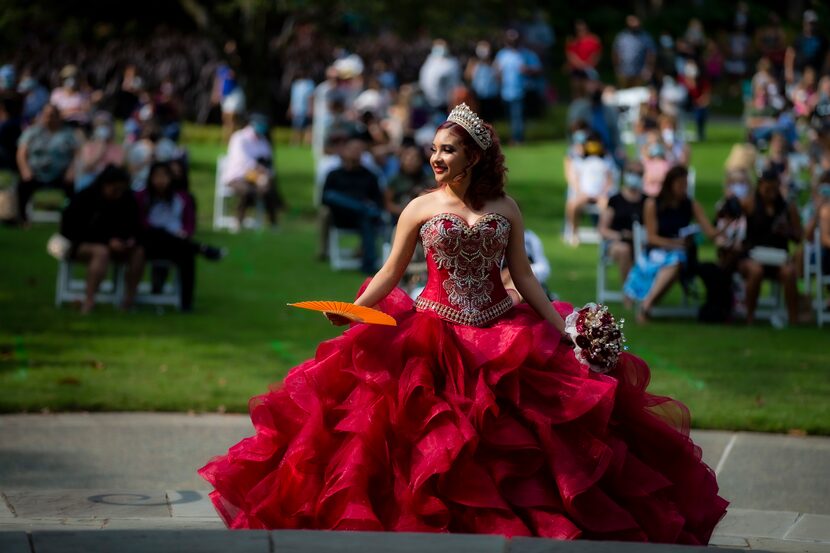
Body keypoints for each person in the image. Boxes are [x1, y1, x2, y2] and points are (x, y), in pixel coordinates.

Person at [200, 103, 727, 541]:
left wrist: (564, 330)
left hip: (503, 331)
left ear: (474, 156)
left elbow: (524, 277)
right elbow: (389, 270)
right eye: (433, 149)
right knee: (415, 436)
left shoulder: (507, 208)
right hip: (433, 329)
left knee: (530, 436)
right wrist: (347, 307)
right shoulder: (419, 207)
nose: (435, 157)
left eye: (446, 150)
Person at [623, 166, 719, 323]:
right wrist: (674, 243)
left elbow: (710, 233)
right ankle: (647, 305)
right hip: (657, 252)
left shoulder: (690, 204)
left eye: (685, 184)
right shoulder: (653, 204)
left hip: (681, 255)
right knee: (675, 260)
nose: (683, 188)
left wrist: (726, 225)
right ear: (670, 184)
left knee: (677, 260)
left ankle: (646, 305)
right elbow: (652, 238)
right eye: (680, 184)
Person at [135, 162, 225, 312]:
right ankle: (201, 248)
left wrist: (185, 232)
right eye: (157, 176)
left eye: (164, 176)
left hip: (175, 243)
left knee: (186, 252)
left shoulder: (181, 198)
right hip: (149, 241)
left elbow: (189, 224)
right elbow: (139, 222)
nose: (160, 181)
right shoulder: (141, 197)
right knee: (161, 234)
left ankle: (186, 303)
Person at [59, 165, 144, 314]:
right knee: (101, 252)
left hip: (119, 246)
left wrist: (129, 240)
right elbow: (71, 229)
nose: (118, 194)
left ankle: (129, 299)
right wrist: (107, 241)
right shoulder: (85, 197)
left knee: (138, 252)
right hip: (82, 245)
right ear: (105, 185)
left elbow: (135, 225)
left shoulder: (127, 199)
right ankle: (89, 299)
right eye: (114, 189)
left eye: (121, 190)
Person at [738, 170, 802, 326]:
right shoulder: (749, 204)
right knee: (756, 271)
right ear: (760, 187)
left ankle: (794, 319)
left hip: (778, 257)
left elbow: (799, 236)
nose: (771, 194)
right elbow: (736, 230)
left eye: (774, 189)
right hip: (752, 256)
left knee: (789, 272)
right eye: (767, 189)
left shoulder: (787, 207)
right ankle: (750, 316)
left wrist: (787, 231)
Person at [322, 135, 384, 274]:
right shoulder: (334, 174)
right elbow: (325, 199)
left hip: (361, 219)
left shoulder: (370, 176)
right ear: (344, 151)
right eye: (352, 148)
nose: (355, 152)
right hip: (340, 216)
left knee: (367, 218)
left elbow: (378, 201)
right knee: (332, 195)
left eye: (359, 149)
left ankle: (368, 266)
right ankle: (362, 208)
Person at [15, 104, 78, 224]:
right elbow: (21, 153)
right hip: (35, 173)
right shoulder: (32, 132)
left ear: (58, 117)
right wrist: (25, 170)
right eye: (46, 115)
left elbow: (77, 155)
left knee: (74, 187)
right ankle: (23, 219)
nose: (49, 118)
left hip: (61, 174)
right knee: (22, 186)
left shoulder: (68, 134)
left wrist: (71, 170)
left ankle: (71, 219)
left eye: (52, 115)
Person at [222, 113, 282, 230]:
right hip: (237, 177)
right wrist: (259, 168)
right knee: (247, 191)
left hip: (256, 177)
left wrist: (266, 173)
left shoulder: (263, 140)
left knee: (268, 190)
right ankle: (238, 222)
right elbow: (242, 160)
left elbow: (268, 161)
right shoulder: (239, 138)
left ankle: (273, 224)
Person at [599, 161, 646, 287]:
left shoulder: (648, 201)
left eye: (639, 174)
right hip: (618, 242)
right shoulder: (615, 200)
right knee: (624, 250)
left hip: (642, 242)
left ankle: (645, 294)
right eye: (631, 172)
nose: (635, 176)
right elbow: (603, 229)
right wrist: (621, 235)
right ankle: (628, 292)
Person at [565, 137, 613, 245]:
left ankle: (604, 233)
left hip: (600, 195)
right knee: (572, 206)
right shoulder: (581, 162)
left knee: (608, 208)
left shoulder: (606, 162)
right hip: (584, 194)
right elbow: (576, 180)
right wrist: (581, 193)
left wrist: (603, 193)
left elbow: (609, 181)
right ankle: (574, 233)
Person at [73, 112, 125, 192]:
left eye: (105, 125)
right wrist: (100, 150)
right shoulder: (88, 146)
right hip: (90, 183)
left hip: (108, 184)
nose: (102, 128)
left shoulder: (118, 149)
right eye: (99, 125)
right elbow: (87, 167)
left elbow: (116, 170)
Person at [494, 29, 527, 145]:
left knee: (517, 117)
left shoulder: (522, 54)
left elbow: (532, 69)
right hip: (505, 91)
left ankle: (518, 139)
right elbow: (497, 71)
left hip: (518, 90)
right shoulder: (502, 55)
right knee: (510, 118)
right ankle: (513, 137)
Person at [612, 15, 656, 88]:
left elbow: (651, 54)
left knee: (639, 96)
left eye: (635, 21)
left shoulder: (646, 37)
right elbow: (615, 53)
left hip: (640, 73)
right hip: (624, 72)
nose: (633, 23)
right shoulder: (621, 37)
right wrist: (617, 69)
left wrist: (649, 69)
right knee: (625, 95)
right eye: (631, 21)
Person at [565, 20, 602, 99]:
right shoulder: (572, 41)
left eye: (583, 29)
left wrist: (588, 64)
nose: (581, 31)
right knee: (577, 89)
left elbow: (596, 54)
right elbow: (570, 55)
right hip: (576, 70)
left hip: (590, 69)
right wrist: (580, 64)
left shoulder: (594, 40)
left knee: (589, 89)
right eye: (578, 29)